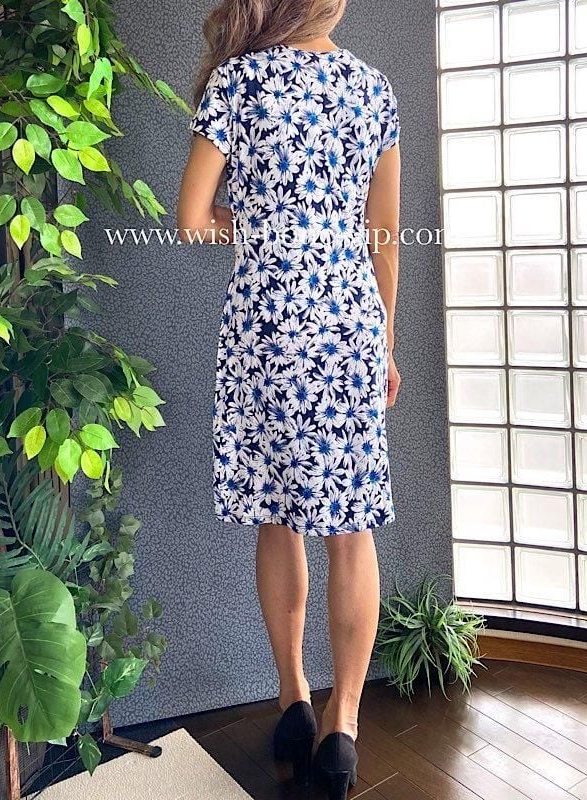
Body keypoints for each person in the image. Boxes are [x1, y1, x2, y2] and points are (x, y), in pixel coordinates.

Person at [177, 1, 401, 797]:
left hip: (266, 329)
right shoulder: (373, 90)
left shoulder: (237, 82)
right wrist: (385, 344)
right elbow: (383, 235)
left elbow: (192, 220)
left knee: (278, 514)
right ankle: (345, 724)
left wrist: (271, 231)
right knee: (350, 527)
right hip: (349, 327)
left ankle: (293, 700)